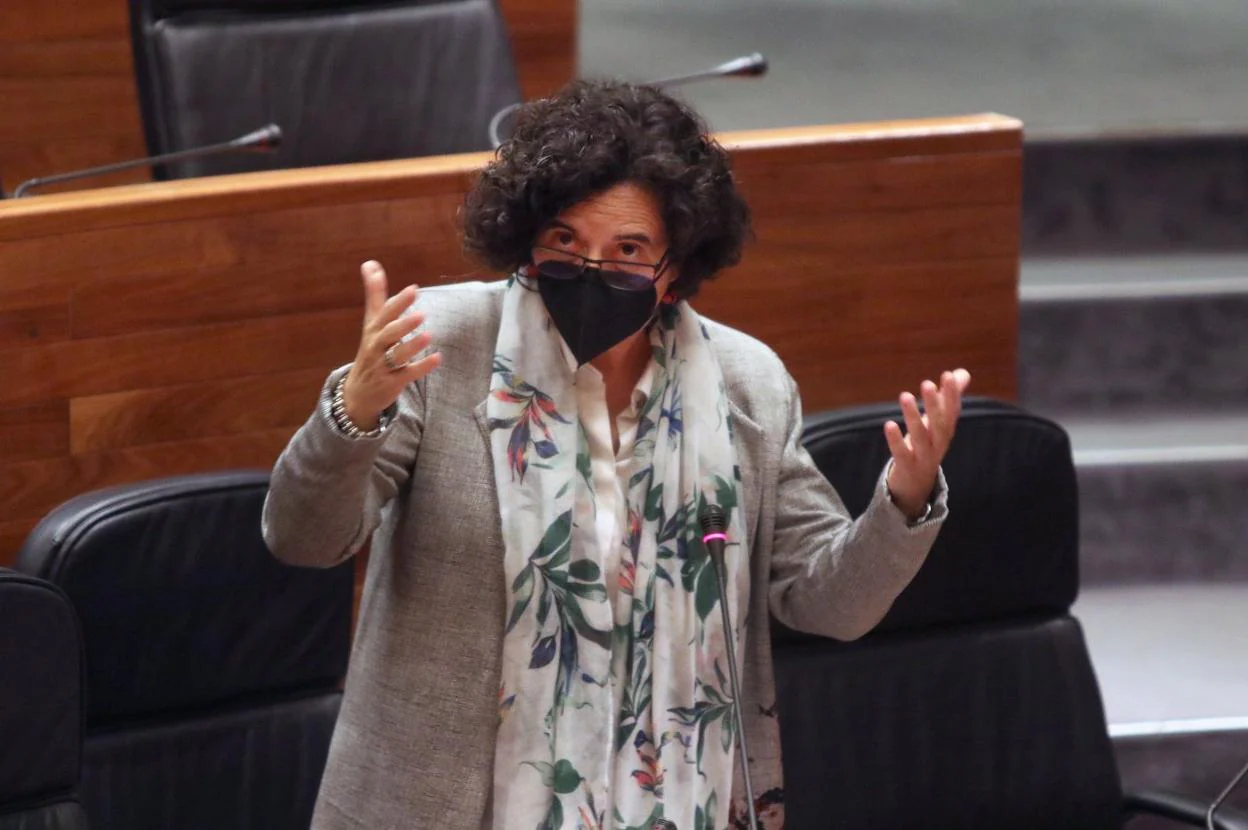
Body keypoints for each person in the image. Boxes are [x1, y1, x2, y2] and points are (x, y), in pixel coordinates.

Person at [262, 79, 969, 830]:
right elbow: (304, 538)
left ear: (676, 271)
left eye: (629, 250)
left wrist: (902, 501)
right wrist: (354, 409)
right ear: (526, 237)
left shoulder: (748, 386)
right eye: (566, 241)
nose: (593, 269)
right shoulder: (440, 345)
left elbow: (829, 604)